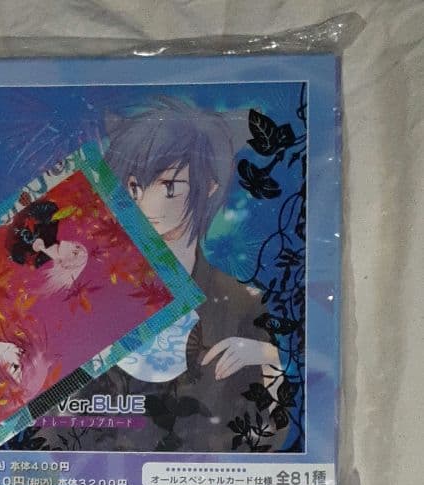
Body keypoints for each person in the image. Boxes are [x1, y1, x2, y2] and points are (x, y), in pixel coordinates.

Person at [38, 99, 286, 453]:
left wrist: (270, 360)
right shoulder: (85, 294)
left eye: (169, 186)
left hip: (206, 480)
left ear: (209, 186)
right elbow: (52, 436)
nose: (147, 204)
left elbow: (267, 441)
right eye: (135, 187)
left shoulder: (241, 304)